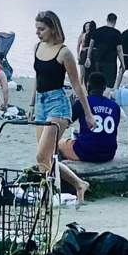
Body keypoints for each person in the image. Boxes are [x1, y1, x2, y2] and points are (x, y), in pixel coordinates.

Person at [31, 10, 96, 197]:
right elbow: (38, 77)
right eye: (36, 29)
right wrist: (31, 104)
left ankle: (50, 194)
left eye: (41, 29)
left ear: (52, 29)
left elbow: (77, 85)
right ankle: (79, 184)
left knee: (41, 156)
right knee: (45, 159)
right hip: (41, 104)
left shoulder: (64, 52)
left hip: (58, 104)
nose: (38, 32)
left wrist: (88, 114)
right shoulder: (37, 47)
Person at [60, 72, 120, 164]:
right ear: (104, 88)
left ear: (88, 86)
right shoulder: (115, 106)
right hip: (109, 153)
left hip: (86, 152)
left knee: (60, 143)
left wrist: (70, 107)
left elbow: (66, 123)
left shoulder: (82, 102)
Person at [88, 13, 122, 90]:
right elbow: (119, 50)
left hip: (98, 61)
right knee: (109, 85)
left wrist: (88, 57)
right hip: (111, 63)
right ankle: (104, 99)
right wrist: (122, 64)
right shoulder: (117, 33)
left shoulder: (97, 31)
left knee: (98, 83)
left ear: (107, 19)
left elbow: (91, 45)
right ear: (115, 21)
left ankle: (97, 99)